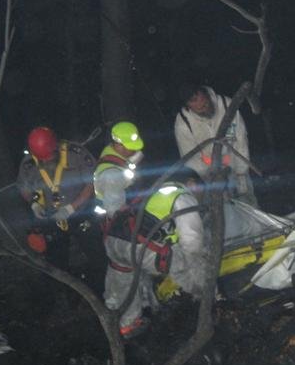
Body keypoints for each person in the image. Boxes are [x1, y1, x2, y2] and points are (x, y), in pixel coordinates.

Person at [102, 181, 209, 336]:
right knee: (187, 267)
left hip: (115, 241)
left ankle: (126, 325)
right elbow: (192, 241)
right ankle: (207, 302)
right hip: (139, 247)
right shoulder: (182, 197)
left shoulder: (156, 189)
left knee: (122, 281)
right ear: (192, 183)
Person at [17, 126, 105, 282]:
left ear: (55, 147)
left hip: (82, 212)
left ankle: (100, 287)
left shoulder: (76, 154)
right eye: (41, 159)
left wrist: (72, 208)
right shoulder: (29, 163)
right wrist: (34, 204)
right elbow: (24, 188)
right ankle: (64, 292)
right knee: (56, 262)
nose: (45, 161)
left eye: (48, 157)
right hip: (52, 217)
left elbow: (91, 183)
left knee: (96, 255)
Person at [173, 84, 258, 207]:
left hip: (236, 168)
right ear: (188, 106)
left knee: (248, 205)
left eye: (202, 98)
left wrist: (241, 172)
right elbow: (190, 157)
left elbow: (241, 138)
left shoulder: (226, 105)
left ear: (206, 94)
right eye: (194, 101)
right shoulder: (183, 123)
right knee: (222, 213)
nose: (201, 104)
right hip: (209, 177)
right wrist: (211, 176)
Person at [92, 121, 146, 220]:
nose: (135, 151)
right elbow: (116, 214)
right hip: (110, 222)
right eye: (131, 148)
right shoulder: (112, 175)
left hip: (127, 195)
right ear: (118, 146)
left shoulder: (111, 150)